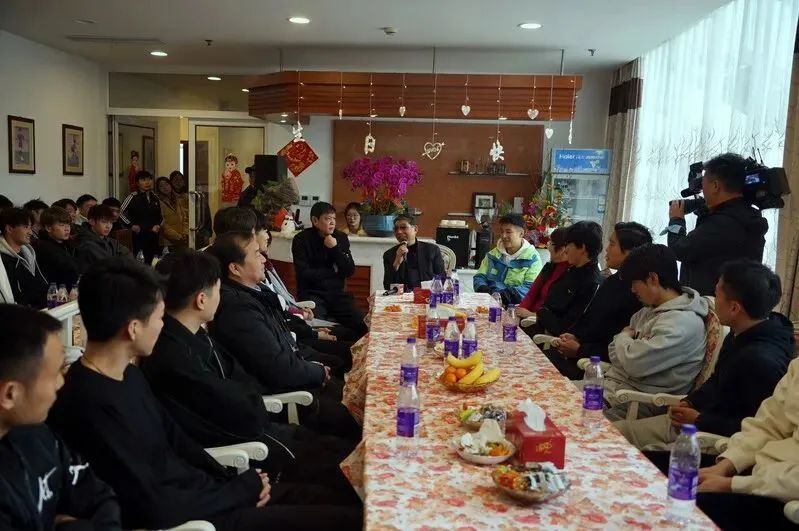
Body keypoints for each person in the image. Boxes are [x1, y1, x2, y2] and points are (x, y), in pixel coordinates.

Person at [48, 258, 363, 531]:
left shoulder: (127, 374)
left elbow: (178, 442)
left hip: (212, 492)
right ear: (133, 328)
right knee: (350, 519)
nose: (162, 325)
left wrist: (235, 481)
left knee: (350, 494)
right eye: (158, 317)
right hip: (199, 518)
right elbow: (152, 502)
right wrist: (237, 492)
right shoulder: (89, 403)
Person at [144, 251, 359, 495]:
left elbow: (240, 380)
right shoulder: (174, 355)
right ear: (201, 300)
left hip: (262, 424)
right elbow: (230, 410)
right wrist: (255, 402)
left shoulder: (195, 337)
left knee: (348, 448)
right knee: (349, 474)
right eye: (218, 289)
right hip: (248, 450)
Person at [619, 260, 792, 451]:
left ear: (734, 308)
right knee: (613, 433)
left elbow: (759, 429)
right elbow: (716, 381)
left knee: (620, 450)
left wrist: (700, 420)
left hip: (715, 442)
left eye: (717, 295)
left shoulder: (761, 361)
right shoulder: (740, 332)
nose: (713, 301)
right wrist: (691, 401)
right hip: (697, 421)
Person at [207, 233, 360, 440]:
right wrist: (316, 372)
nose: (264, 259)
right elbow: (277, 367)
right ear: (235, 268)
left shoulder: (253, 294)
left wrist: (313, 366)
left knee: (359, 397)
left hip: (299, 374)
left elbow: (285, 342)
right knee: (357, 418)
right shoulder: (238, 309)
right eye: (256, 254)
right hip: (286, 398)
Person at [0, 304, 121, 529]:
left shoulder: (38, 435)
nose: (61, 382)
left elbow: (100, 498)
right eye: (56, 372)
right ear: (10, 394)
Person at [598, 243, 708, 421]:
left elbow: (634, 363)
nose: (632, 290)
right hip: (612, 388)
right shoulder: (646, 311)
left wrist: (625, 338)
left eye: (635, 283)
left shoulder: (683, 323)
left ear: (652, 279)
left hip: (638, 402)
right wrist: (629, 349)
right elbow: (614, 353)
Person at [690, 357, 799, 530]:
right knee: (660, 474)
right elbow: (768, 425)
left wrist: (732, 484)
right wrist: (725, 466)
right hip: (755, 474)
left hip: (784, 501)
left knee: (671, 505)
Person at [544, 222, 652, 380]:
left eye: (612, 244)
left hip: (596, 368)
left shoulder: (638, 294)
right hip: (577, 353)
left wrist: (580, 349)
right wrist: (574, 336)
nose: (606, 249)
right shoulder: (612, 281)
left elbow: (619, 346)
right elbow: (589, 320)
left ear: (630, 252)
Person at [667, 153, 768, 296]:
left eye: (704, 184)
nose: (703, 191)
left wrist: (676, 220)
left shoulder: (722, 223)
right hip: (735, 302)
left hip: (711, 304)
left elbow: (679, 250)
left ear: (715, 186)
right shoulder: (747, 217)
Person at [292, 202, 367, 338]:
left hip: (337, 294)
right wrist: (333, 272)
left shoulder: (341, 237)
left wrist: (334, 249)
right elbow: (304, 274)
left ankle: (342, 344)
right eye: (327, 218)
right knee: (318, 328)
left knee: (363, 325)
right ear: (315, 220)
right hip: (313, 294)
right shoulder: (301, 240)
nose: (332, 222)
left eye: (334, 218)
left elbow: (349, 270)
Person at [530, 221, 603, 336]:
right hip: (541, 328)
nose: (565, 250)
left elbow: (567, 327)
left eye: (568, 244)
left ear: (582, 247)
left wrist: (542, 312)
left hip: (554, 340)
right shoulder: (571, 270)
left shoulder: (591, 283)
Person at [473, 213, 543, 305]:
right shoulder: (492, 255)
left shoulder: (532, 258)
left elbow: (530, 287)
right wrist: (484, 290)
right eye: (502, 231)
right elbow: (479, 277)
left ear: (521, 233)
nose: (504, 236)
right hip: (489, 304)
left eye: (508, 232)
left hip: (517, 307)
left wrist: (504, 296)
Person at [517, 227, 569, 321]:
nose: (548, 246)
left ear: (562, 249)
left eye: (551, 243)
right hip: (528, 315)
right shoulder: (549, 267)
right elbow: (532, 292)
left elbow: (557, 313)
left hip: (540, 321)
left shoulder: (569, 274)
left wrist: (532, 315)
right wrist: (521, 310)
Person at [0, 207, 48, 308]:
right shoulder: (3, 262)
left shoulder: (29, 254)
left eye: (30, 227)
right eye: (26, 227)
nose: (31, 232)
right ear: (9, 229)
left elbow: (40, 286)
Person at [382, 213, 445, 291]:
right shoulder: (389, 254)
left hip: (426, 294)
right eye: (396, 229)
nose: (399, 232)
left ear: (415, 229)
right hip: (401, 296)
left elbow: (442, 280)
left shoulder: (432, 250)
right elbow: (387, 287)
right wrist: (396, 262)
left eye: (403, 227)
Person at [120, 170, 163, 264]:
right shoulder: (132, 196)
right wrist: (131, 225)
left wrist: (158, 225)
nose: (147, 182)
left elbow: (161, 215)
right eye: (143, 180)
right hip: (139, 234)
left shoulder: (155, 197)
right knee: (139, 261)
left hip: (154, 234)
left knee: (154, 261)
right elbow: (119, 213)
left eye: (149, 179)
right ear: (137, 183)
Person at [35, 207, 80, 290]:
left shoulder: (69, 244)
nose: (67, 229)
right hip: (57, 293)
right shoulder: (44, 248)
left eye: (68, 225)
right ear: (48, 228)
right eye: (61, 225)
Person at [75, 205, 130, 272]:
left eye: (111, 222)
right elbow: (106, 265)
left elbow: (128, 256)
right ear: (92, 221)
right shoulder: (85, 242)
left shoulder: (112, 242)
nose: (108, 226)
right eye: (104, 222)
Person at [155, 177, 188, 251]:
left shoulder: (177, 199)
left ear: (170, 185)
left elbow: (184, 217)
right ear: (158, 189)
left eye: (166, 184)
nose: (165, 187)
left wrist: (185, 232)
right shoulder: (158, 202)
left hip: (182, 238)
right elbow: (163, 224)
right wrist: (177, 236)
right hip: (167, 242)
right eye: (161, 186)